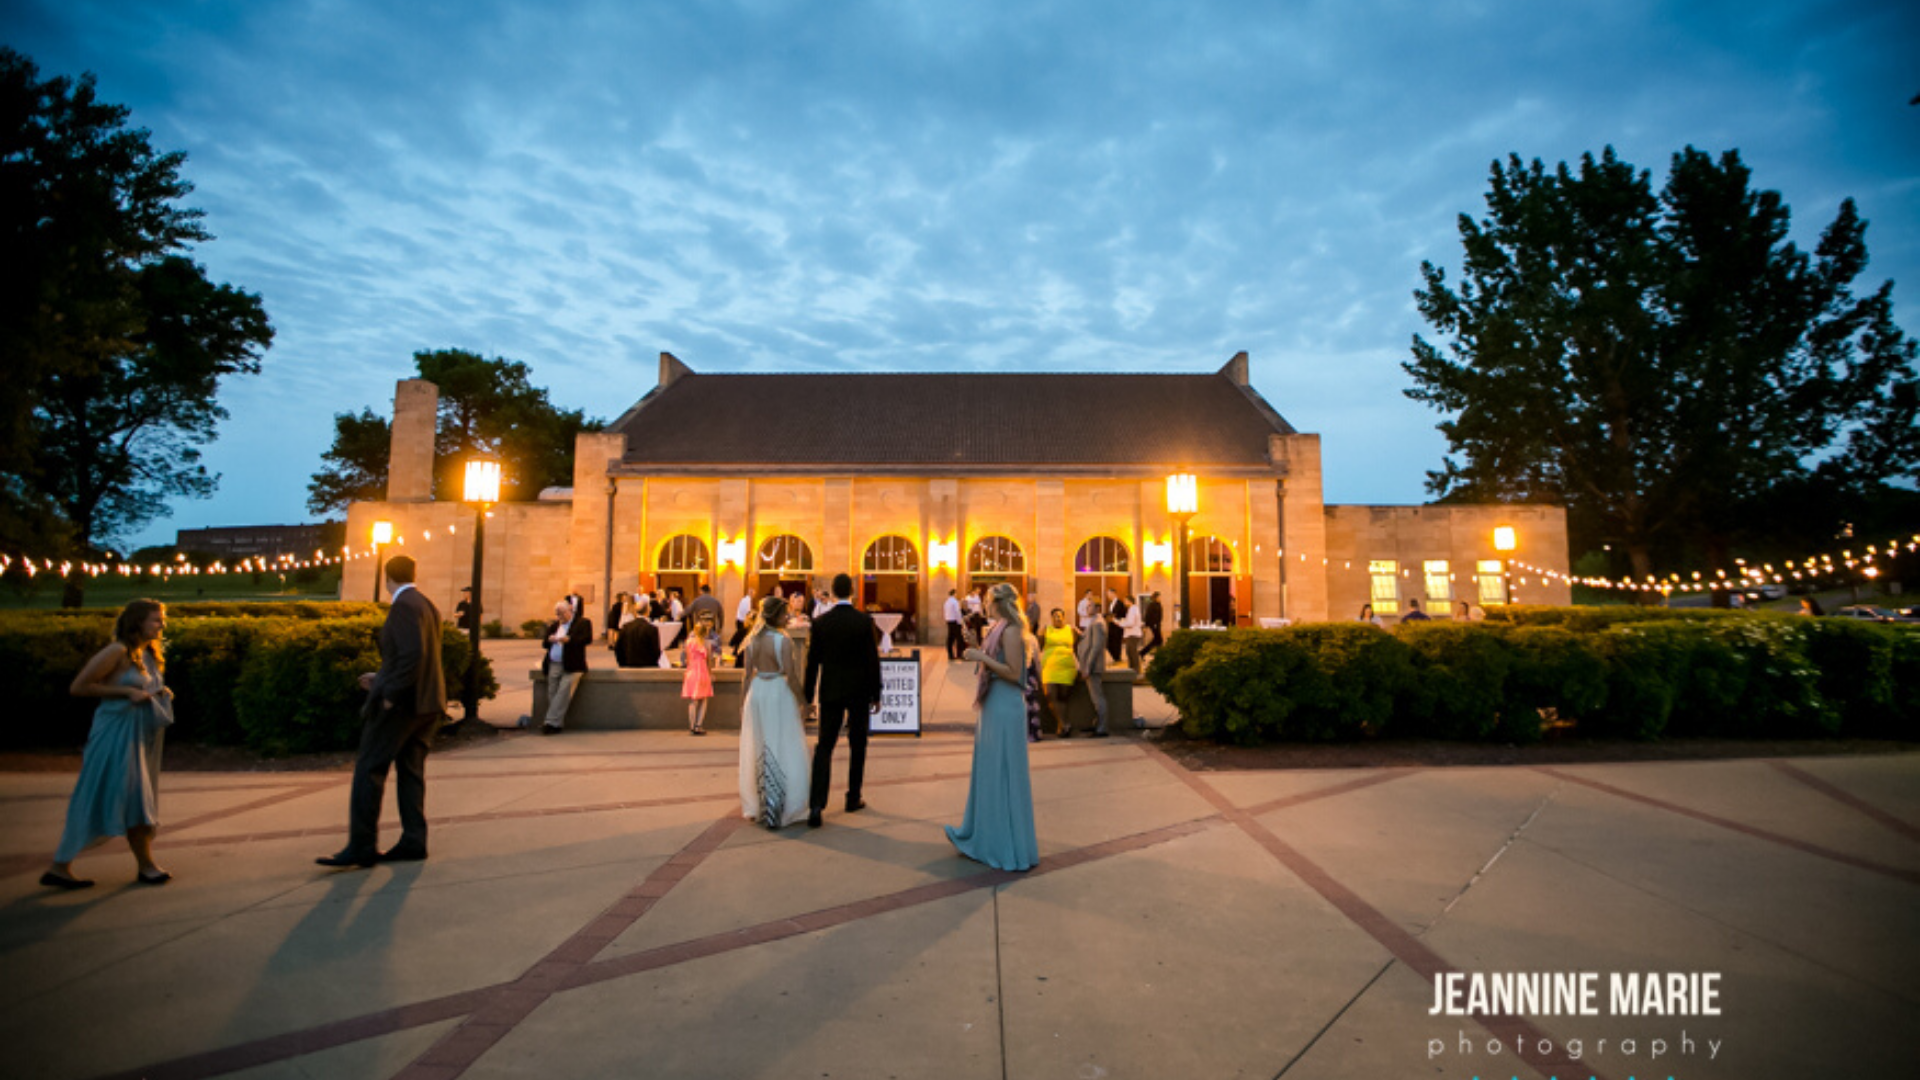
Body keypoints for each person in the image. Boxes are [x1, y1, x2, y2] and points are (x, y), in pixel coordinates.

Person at [318, 556, 445, 869]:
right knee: (411, 773)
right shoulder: (427, 604)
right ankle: (414, 840)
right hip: (427, 704)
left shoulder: (402, 606)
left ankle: (362, 845)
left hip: (402, 706)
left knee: (369, 771)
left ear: (387, 577)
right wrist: (381, 677)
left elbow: (412, 654)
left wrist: (388, 694)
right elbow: (418, 656)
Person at [43, 599, 176, 889]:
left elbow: (144, 687)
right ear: (137, 622)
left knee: (136, 797)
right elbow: (79, 686)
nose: (161, 625)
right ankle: (62, 865)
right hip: (113, 733)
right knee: (103, 795)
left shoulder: (149, 653)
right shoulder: (117, 651)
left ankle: (144, 865)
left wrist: (158, 692)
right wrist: (125, 691)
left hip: (138, 733)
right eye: (156, 620)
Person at [946, 582, 1038, 871]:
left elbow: (1013, 672)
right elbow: (993, 663)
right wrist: (976, 646)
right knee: (990, 771)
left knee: (1002, 773)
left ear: (1000, 602)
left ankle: (1002, 843)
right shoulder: (999, 627)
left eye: (988, 600)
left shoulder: (1011, 630)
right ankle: (985, 836)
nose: (985, 604)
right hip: (993, 704)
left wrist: (981, 656)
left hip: (1005, 705)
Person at [803, 572, 883, 829]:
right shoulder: (863, 621)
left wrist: (808, 696)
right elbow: (873, 660)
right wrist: (877, 692)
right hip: (858, 691)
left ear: (833, 593)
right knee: (858, 743)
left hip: (831, 691)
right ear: (852, 591)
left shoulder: (822, 623)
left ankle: (816, 805)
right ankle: (853, 796)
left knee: (824, 745)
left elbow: (812, 662)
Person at [738, 596, 811, 829]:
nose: (787, 617)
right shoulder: (783, 640)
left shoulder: (751, 640)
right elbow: (791, 675)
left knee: (759, 744)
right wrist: (804, 702)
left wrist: (742, 703)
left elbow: (746, 674)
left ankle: (762, 803)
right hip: (778, 691)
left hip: (757, 691)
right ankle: (781, 804)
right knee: (783, 743)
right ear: (775, 616)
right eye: (784, 613)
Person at [539, 598, 592, 734]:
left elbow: (587, 639)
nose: (559, 617)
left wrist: (570, 640)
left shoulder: (583, 623)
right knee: (553, 694)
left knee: (563, 692)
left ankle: (549, 722)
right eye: (557, 614)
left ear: (570, 610)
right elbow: (544, 643)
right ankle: (556, 724)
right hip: (554, 664)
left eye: (562, 613)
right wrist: (550, 639)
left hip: (572, 665)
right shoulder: (555, 626)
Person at [1069, 607, 1110, 737]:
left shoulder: (1098, 623)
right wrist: (1077, 631)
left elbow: (1096, 646)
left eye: (1090, 606)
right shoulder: (1093, 622)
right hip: (1089, 666)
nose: (1086, 609)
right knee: (1095, 698)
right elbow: (1088, 639)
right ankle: (1097, 724)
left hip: (1093, 667)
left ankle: (1102, 727)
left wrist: (1087, 666)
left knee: (1097, 698)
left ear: (1097, 608)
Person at [1038, 608, 1078, 739]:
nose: (1058, 618)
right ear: (1051, 618)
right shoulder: (1046, 629)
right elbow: (1039, 646)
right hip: (1050, 668)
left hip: (1066, 667)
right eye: (1055, 616)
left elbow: (1078, 647)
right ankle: (1065, 723)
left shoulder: (1071, 630)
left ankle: (1062, 726)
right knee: (1050, 695)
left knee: (1063, 697)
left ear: (1064, 617)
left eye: (1060, 616)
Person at [682, 611, 717, 735]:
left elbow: (687, 659)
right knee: (703, 700)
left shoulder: (688, 642)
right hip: (702, 672)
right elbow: (709, 661)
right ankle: (698, 725)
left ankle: (691, 725)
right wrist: (711, 673)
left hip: (691, 671)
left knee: (693, 701)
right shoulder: (706, 643)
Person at [1119, 595, 1144, 669]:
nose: (1124, 602)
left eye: (1125, 601)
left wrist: (1121, 624)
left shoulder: (1133, 609)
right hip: (1131, 633)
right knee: (1129, 652)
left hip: (1133, 634)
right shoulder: (1132, 609)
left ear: (1130, 601)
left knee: (1132, 652)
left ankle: (1135, 669)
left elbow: (1130, 623)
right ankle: (1132, 668)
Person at [943, 589, 965, 661]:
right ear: (954, 594)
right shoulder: (955, 602)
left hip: (949, 621)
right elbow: (957, 612)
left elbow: (945, 612)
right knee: (959, 638)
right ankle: (960, 654)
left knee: (950, 639)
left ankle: (950, 655)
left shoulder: (946, 602)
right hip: (955, 622)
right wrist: (960, 622)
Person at [1142, 591, 1165, 657]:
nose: (1160, 598)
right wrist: (1146, 625)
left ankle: (1143, 652)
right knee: (1159, 640)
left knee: (1158, 640)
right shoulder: (1152, 605)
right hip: (1153, 625)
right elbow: (1148, 615)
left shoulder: (1159, 604)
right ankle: (1144, 652)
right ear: (1156, 597)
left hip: (1158, 624)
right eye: (1159, 597)